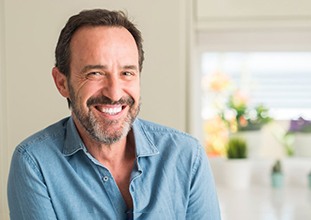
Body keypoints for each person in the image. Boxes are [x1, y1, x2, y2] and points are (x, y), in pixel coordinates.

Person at [7, 9, 220, 220]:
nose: (114, 93)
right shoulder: (35, 163)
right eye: (95, 73)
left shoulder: (187, 156)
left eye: (127, 73)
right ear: (62, 83)